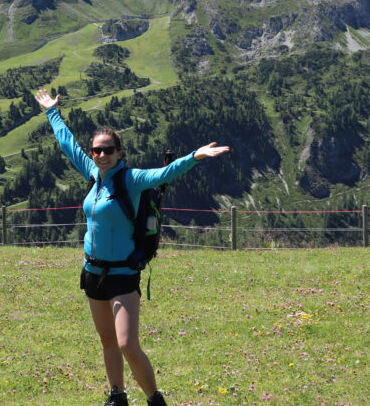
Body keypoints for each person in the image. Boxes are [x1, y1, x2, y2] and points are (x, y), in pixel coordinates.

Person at [34, 89, 230, 406]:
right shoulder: (92, 174)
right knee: (107, 340)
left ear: (119, 152)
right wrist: (52, 112)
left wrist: (195, 157)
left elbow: (165, 173)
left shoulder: (132, 179)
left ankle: (154, 399)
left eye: (108, 150)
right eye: (96, 150)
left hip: (123, 275)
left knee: (127, 344)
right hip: (93, 272)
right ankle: (117, 396)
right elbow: (67, 144)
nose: (101, 155)